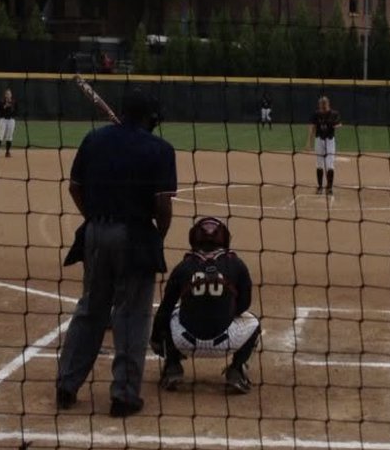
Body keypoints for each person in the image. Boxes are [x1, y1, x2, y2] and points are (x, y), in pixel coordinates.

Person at [56, 88, 177, 418]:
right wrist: (157, 237)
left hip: (95, 233)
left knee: (90, 309)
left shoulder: (94, 140)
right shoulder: (159, 149)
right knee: (132, 315)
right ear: (149, 117)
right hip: (135, 236)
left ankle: (66, 385)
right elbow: (162, 205)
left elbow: (74, 187)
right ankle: (123, 396)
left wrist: (94, 219)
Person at [150, 216, 260, 394]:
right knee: (253, 321)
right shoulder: (237, 264)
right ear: (224, 238)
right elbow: (244, 304)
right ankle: (237, 371)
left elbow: (165, 309)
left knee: (170, 312)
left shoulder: (183, 266)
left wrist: (156, 340)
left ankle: (172, 367)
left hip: (184, 342)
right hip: (227, 342)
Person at [305, 94, 342, 195]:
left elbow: (339, 124)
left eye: (324, 104)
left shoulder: (334, 114)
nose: (323, 106)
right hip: (319, 140)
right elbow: (311, 127)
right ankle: (320, 187)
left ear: (328, 104)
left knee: (329, 164)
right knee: (319, 164)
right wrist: (309, 142)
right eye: (321, 104)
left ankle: (329, 187)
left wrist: (335, 125)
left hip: (330, 141)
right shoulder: (316, 114)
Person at [0, 89, 17, 157]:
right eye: (7, 94)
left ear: (11, 95)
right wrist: (5, 106)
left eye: (9, 94)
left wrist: (11, 107)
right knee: (0, 136)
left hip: (11, 120)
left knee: (9, 136)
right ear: (5, 95)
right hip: (3, 120)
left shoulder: (14, 102)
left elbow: (16, 112)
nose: (8, 95)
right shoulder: (1, 102)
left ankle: (7, 152)